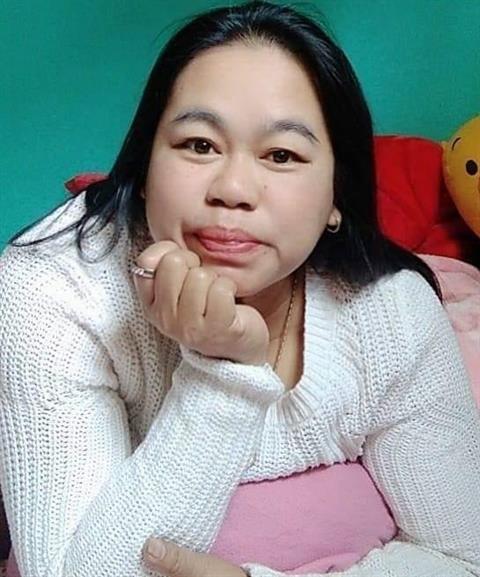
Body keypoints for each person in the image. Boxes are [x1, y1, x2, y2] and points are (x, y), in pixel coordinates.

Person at [0, 2, 479, 576]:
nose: (232, 189)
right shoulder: (55, 289)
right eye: (199, 145)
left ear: (336, 195)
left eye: (281, 155)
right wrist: (222, 372)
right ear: (144, 167)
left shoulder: (389, 310)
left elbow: (464, 556)